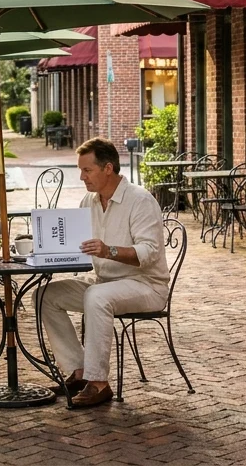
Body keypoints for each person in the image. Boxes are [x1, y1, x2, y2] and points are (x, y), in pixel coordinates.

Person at [32, 138, 169, 408]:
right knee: (44, 295)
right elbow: (75, 243)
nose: (81, 177)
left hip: (145, 285)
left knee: (96, 296)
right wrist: (46, 247)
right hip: (102, 281)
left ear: (108, 168)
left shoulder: (140, 200)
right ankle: (79, 372)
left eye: (87, 170)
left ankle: (99, 383)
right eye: (81, 171)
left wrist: (109, 251)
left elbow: (149, 252)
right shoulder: (89, 200)